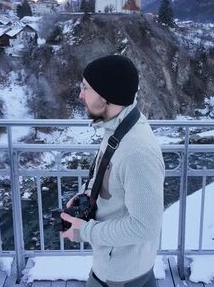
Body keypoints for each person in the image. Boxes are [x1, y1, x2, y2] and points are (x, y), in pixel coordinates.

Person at [60, 55, 165, 287]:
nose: (80, 95)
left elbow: (145, 226)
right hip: (110, 265)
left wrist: (85, 231)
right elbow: (109, 175)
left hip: (122, 275)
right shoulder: (117, 126)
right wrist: (87, 194)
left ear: (105, 96)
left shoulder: (138, 152)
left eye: (85, 88)